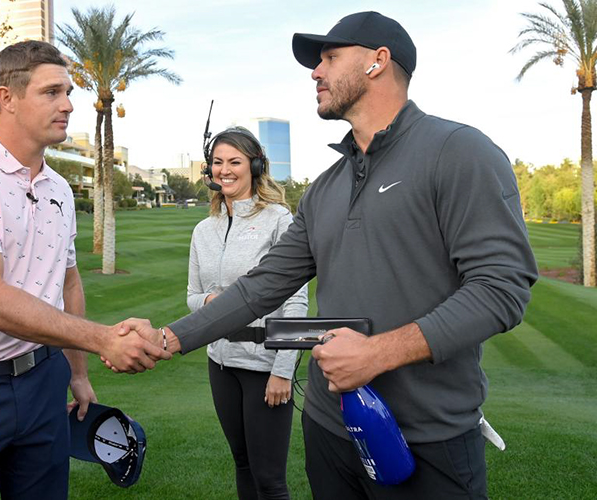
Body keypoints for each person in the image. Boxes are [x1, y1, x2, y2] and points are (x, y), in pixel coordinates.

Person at [125, 11, 538, 500]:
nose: (315, 72)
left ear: (377, 62)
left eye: (330, 57)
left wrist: (378, 353)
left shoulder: (458, 152)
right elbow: (264, 285)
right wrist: (168, 338)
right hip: (329, 426)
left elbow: (502, 288)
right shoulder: (325, 188)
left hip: (428, 436)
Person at [0, 40, 169, 500]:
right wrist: (104, 338)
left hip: (43, 383)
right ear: (6, 97)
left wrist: (78, 373)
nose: (68, 105)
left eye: (68, 92)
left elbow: (67, 281)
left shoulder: (60, 188)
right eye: (52, 92)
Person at [190, 127, 308, 499]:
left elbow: (296, 301)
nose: (225, 170)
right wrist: (211, 305)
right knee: (242, 464)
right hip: (220, 364)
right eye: (218, 162)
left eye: (235, 162)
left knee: (270, 478)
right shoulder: (202, 230)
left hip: (265, 367)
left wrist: (283, 371)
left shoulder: (278, 220)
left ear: (255, 166)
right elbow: (192, 296)